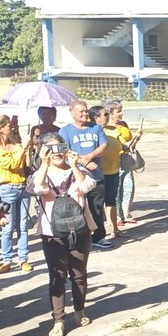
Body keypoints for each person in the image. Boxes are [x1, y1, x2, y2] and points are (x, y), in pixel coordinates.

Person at [27, 133, 95, 336]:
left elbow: (86, 187)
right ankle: (58, 320)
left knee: (79, 273)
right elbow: (37, 189)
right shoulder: (41, 173)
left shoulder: (78, 170)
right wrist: (43, 163)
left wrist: (74, 164)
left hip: (80, 229)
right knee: (57, 276)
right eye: (51, 148)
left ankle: (79, 310)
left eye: (60, 147)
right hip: (52, 232)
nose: (57, 153)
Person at [58, 99, 113, 249]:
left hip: (96, 176)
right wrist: (84, 162)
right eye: (81, 111)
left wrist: (89, 156)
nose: (84, 113)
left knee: (96, 207)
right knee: (77, 208)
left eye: (85, 110)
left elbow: (104, 145)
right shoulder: (65, 131)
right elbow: (64, 151)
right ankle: (78, 239)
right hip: (76, 179)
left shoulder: (96, 128)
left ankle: (98, 237)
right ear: (72, 113)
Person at [0, 114, 32, 274]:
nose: (11, 128)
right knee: (8, 226)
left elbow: (25, 164)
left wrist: (28, 149)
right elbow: (12, 164)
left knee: (23, 226)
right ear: (0, 128)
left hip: (22, 186)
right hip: (6, 189)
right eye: (8, 126)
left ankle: (23, 259)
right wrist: (23, 149)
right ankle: (7, 259)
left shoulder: (15, 144)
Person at [108, 103, 142, 226]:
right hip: (113, 161)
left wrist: (137, 138)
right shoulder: (106, 128)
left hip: (125, 159)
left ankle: (126, 213)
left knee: (129, 186)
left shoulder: (123, 125)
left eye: (121, 111)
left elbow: (130, 146)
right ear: (110, 114)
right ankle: (117, 216)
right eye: (118, 111)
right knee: (117, 189)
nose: (121, 113)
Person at [94, 104, 124, 239]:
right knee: (97, 204)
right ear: (96, 118)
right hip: (99, 172)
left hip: (113, 171)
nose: (107, 117)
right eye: (104, 115)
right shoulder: (92, 132)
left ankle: (115, 229)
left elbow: (123, 147)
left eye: (107, 114)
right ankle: (97, 231)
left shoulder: (114, 130)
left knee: (111, 201)